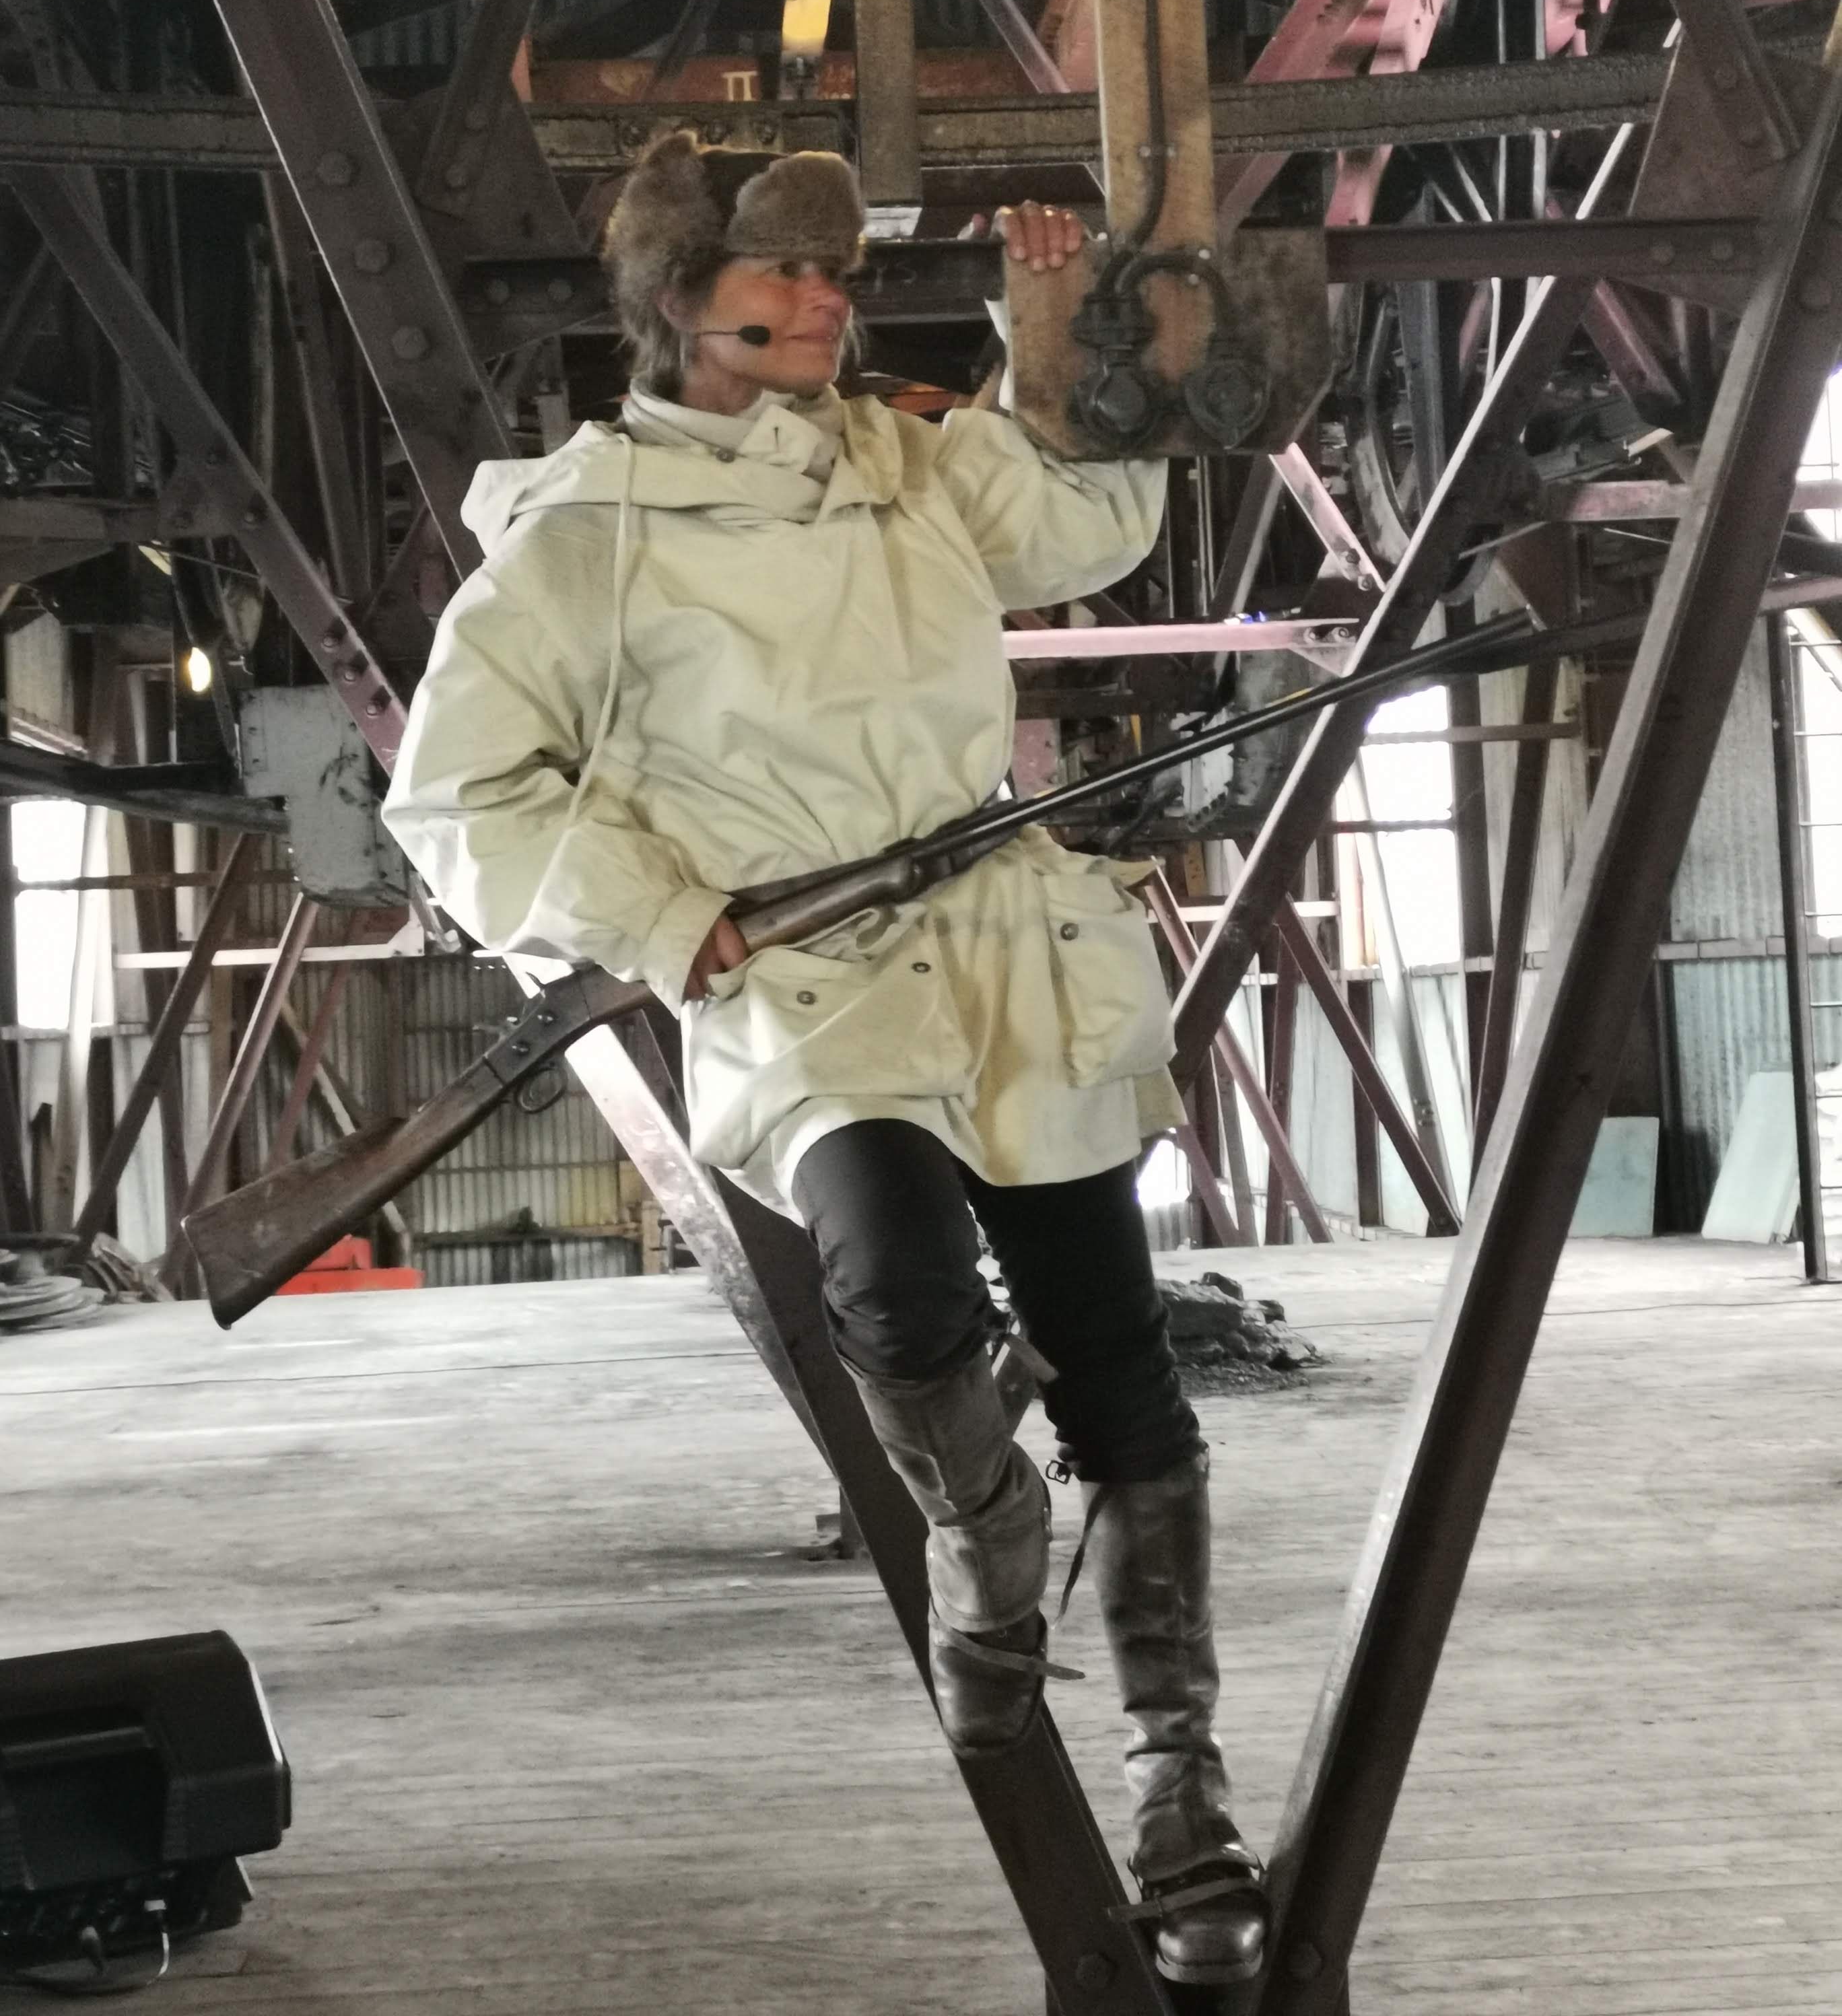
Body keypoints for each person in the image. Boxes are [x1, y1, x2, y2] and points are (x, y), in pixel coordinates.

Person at [380, 133, 1268, 1987]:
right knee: (898, 1288)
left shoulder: (903, 464)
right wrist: (656, 913)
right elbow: (455, 796)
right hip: (808, 973)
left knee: (1119, 1362)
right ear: (677, 302)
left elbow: (1089, 523)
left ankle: (1181, 1789)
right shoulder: (583, 534)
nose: (824, 301)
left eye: (835, 275)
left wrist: (1049, 342)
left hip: (1003, 947)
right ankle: (987, 1541)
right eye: (780, 276)